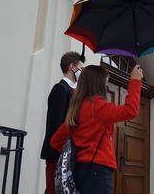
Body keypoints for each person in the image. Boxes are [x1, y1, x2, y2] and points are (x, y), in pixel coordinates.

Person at [50, 64, 143, 194]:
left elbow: (55, 142)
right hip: (98, 171)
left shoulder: (76, 109)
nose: (105, 86)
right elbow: (131, 111)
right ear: (98, 84)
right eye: (105, 82)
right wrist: (135, 81)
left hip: (78, 169)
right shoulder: (99, 106)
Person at [40, 51, 85, 194]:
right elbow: (56, 124)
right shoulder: (60, 89)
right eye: (82, 68)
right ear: (72, 67)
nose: (83, 72)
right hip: (57, 152)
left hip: (69, 153)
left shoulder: (75, 91)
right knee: (54, 190)